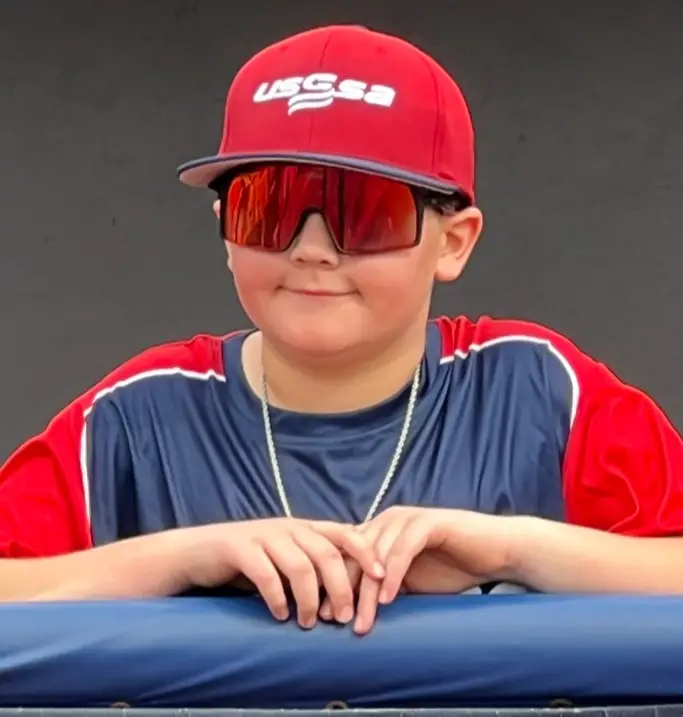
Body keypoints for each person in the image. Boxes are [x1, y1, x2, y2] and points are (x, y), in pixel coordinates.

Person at [1, 24, 681, 636]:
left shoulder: (535, 389)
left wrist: (508, 549)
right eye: (268, 208)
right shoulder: (139, 413)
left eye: (366, 213)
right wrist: (183, 557)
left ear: (452, 242)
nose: (311, 250)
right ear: (224, 231)